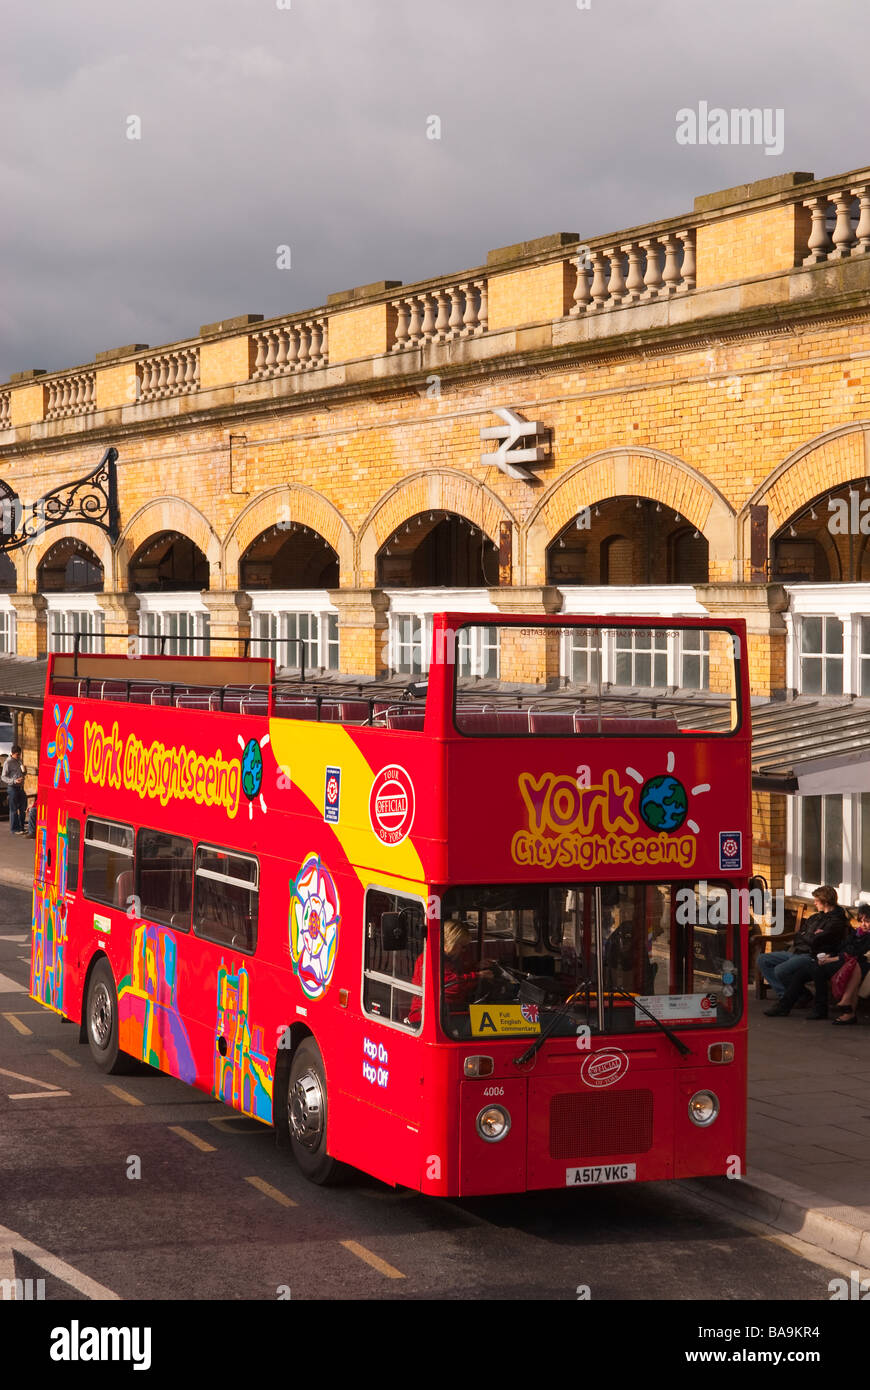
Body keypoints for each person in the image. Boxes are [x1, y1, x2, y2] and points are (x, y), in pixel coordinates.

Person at [764, 886, 850, 1018]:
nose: (814, 903)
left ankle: (789, 1000)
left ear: (825, 902)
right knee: (763, 960)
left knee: (780, 970)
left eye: (816, 900)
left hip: (812, 955)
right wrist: (809, 936)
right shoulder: (815, 917)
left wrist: (808, 936)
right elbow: (800, 935)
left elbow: (816, 942)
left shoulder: (836, 921)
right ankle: (793, 996)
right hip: (798, 951)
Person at [407, 920, 495, 1027]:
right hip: (427, 1016)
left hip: (450, 1011)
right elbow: (452, 986)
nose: (464, 950)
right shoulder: (432, 958)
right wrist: (479, 976)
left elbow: (457, 973)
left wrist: (476, 967)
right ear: (451, 942)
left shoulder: (449, 958)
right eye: (462, 946)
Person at [830, 903, 870, 1025]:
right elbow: (844, 946)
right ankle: (848, 1010)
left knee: (855, 966)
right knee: (854, 966)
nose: (863, 924)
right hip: (855, 962)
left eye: (867, 921)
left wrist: (850, 952)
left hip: (865, 963)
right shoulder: (856, 933)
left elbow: (860, 952)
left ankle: (848, 1009)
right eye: (861, 921)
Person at [2, 744, 27, 835]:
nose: (18, 756)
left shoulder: (19, 761)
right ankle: (14, 829)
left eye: (19, 754)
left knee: (22, 808)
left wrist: (24, 773)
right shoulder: (7, 762)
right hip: (12, 788)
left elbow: (21, 772)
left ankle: (21, 827)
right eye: (17, 754)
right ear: (12, 753)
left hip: (20, 787)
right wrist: (14, 781)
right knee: (14, 809)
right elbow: (3, 777)